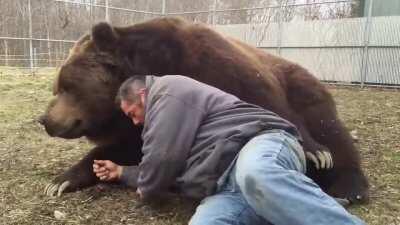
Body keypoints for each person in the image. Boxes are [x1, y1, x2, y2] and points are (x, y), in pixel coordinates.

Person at [92, 75, 365, 225]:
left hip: (261, 143)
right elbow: (169, 167)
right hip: (225, 185)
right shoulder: (174, 124)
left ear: (142, 95)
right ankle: (291, 200)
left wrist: (148, 186)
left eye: (133, 113)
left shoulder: (167, 90)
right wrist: (123, 173)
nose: (135, 122)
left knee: (256, 173)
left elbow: (162, 158)